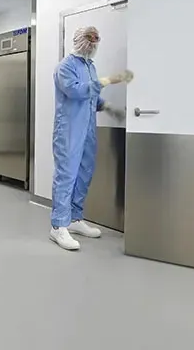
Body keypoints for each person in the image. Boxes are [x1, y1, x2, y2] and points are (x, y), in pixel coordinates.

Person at [49, 26, 133, 251]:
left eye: (96, 41)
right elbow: (76, 91)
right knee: (66, 175)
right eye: (90, 40)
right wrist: (108, 80)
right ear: (79, 41)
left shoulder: (90, 66)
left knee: (84, 173)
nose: (93, 44)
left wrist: (107, 107)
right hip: (69, 130)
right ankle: (58, 225)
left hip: (87, 129)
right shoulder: (65, 67)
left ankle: (75, 219)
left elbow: (91, 96)